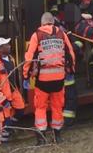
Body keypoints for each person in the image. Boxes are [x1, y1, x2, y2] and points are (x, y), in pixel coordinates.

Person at [23, 12, 76, 145]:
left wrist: (25, 76)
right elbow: (70, 54)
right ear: (53, 22)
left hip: (42, 80)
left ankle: (41, 138)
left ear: (42, 23)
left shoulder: (37, 35)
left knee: (40, 108)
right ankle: (57, 136)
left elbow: (29, 58)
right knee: (57, 107)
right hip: (59, 79)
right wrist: (71, 70)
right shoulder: (61, 34)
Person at [0, 37, 25, 144]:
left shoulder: (11, 58)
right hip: (4, 96)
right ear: (0, 49)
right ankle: (4, 141)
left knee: (20, 110)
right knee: (5, 120)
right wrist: (3, 101)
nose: (9, 46)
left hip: (14, 92)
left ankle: (10, 128)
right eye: (6, 45)